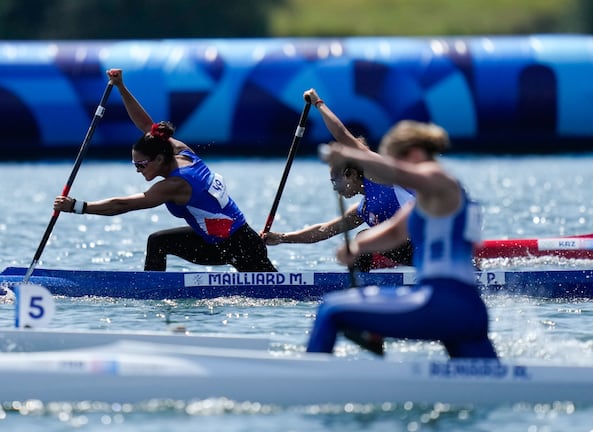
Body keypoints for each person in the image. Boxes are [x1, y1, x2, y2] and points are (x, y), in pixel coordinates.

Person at [306, 120, 497, 359]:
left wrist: (346, 154)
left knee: (331, 309)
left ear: (414, 153)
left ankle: (310, 382)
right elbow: (395, 232)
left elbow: (394, 172)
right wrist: (356, 247)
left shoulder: (441, 180)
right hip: (468, 310)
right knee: (484, 379)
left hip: (442, 302)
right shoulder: (427, 201)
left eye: (396, 158)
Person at [53, 68, 276, 272]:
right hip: (215, 241)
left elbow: (124, 205)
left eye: (141, 165)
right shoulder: (178, 150)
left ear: (159, 159)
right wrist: (121, 87)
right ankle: (152, 289)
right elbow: (146, 126)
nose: (138, 171)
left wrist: (77, 207)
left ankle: (151, 291)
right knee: (158, 242)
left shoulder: (175, 184)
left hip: (241, 246)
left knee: (280, 294)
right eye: (134, 165)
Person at [262, 89, 415, 271]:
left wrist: (318, 103)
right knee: (359, 245)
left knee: (362, 240)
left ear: (350, 174)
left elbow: (344, 137)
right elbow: (323, 231)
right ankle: (368, 286)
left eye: (335, 181)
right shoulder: (363, 209)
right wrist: (282, 238)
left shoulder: (383, 176)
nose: (335, 189)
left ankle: (366, 284)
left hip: (430, 244)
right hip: (413, 251)